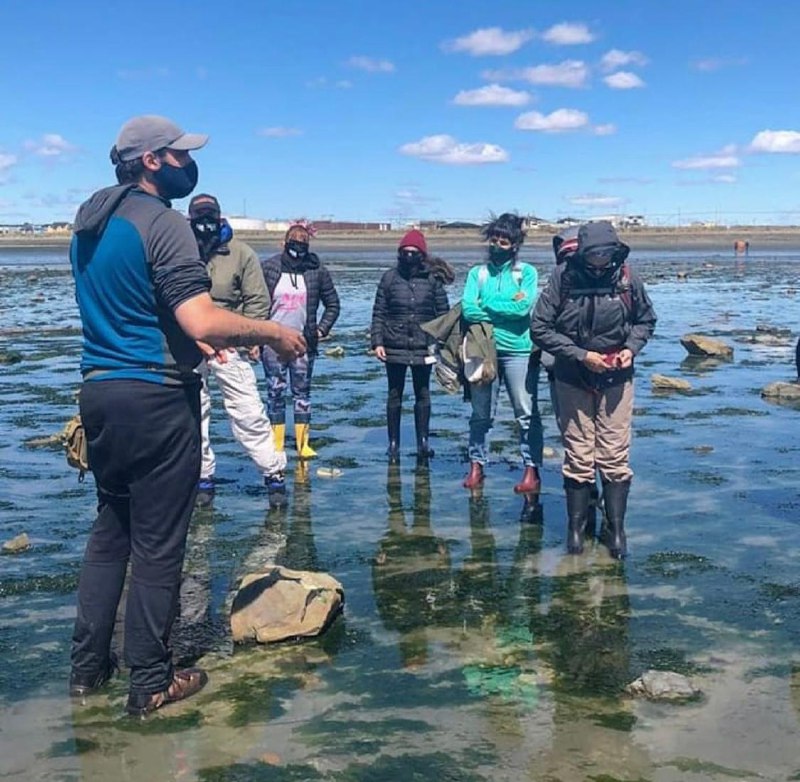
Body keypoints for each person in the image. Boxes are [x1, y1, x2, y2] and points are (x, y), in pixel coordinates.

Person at [68, 115, 306, 717]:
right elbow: (201, 317)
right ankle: (151, 680)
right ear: (151, 161)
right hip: (154, 398)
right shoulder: (163, 222)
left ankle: (88, 670)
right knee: (158, 546)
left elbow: (133, 310)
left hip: (100, 391)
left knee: (109, 535)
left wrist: (182, 341)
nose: (186, 163)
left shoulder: (89, 223)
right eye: (178, 154)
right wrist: (272, 331)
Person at [531, 220, 656, 559]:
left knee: (615, 456)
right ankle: (576, 529)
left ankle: (616, 530)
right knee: (579, 454)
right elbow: (539, 328)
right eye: (594, 256)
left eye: (606, 255)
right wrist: (582, 355)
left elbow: (646, 320)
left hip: (617, 377)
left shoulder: (628, 278)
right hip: (573, 374)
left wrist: (631, 347)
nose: (601, 262)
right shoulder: (563, 277)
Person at [187, 193, 287, 507]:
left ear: (219, 217)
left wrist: (249, 338)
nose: (204, 222)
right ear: (190, 219)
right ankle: (202, 477)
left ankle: (273, 474)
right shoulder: (180, 249)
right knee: (192, 413)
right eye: (198, 216)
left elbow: (257, 300)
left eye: (210, 215)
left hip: (228, 344)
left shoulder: (241, 253)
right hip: (187, 343)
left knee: (248, 409)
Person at [461, 213, 543, 494]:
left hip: (519, 350)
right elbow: (468, 308)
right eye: (494, 239)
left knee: (525, 411)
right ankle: (476, 465)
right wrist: (503, 305)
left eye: (504, 241)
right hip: (482, 348)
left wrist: (488, 305)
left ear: (515, 244)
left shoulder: (527, 273)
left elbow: (522, 310)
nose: (498, 245)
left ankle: (531, 469)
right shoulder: (477, 273)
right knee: (481, 412)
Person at [370, 229, 453, 461]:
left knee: (423, 393)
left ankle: (422, 442)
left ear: (422, 255)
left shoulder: (433, 280)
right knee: (394, 394)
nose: (409, 256)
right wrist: (377, 341)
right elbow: (379, 312)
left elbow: (443, 314)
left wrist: (441, 344)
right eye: (405, 252)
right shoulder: (389, 278)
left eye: (414, 252)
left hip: (423, 345)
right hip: (393, 344)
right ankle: (393, 443)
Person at [260, 221, 340, 459]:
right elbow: (256, 303)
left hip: (303, 344)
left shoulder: (316, 270)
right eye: (294, 242)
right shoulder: (269, 268)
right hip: (272, 342)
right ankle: (276, 444)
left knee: (302, 393)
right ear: (284, 243)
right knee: (275, 392)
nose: (298, 247)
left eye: (303, 243)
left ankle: (303, 444)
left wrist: (321, 330)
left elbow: (333, 304)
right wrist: (256, 338)